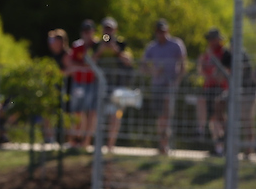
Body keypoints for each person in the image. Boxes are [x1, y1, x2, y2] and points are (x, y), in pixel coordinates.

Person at [141, 18, 188, 155]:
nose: (161, 34)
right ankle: (162, 144)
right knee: (160, 116)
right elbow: (142, 66)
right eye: (159, 31)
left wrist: (177, 81)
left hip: (170, 85)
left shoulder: (176, 44)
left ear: (167, 30)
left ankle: (165, 144)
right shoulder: (152, 47)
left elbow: (183, 64)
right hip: (157, 85)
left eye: (163, 31)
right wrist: (153, 71)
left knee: (166, 115)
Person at [94, 17, 134, 152]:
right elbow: (89, 61)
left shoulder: (121, 43)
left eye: (110, 29)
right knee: (97, 116)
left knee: (115, 116)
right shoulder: (97, 44)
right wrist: (100, 51)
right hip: (99, 86)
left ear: (115, 30)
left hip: (117, 87)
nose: (108, 31)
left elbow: (129, 61)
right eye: (106, 28)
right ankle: (96, 144)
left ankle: (110, 146)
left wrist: (116, 50)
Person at [197, 27, 231, 155]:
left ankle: (225, 143)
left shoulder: (224, 53)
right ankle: (218, 147)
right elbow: (202, 72)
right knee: (212, 119)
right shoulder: (206, 54)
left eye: (213, 39)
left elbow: (222, 74)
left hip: (221, 88)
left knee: (219, 116)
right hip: (208, 88)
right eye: (209, 39)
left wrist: (213, 74)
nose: (211, 41)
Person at [66, 20, 98, 149]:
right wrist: (85, 66)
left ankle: (87, 141)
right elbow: (72, 63)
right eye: (85, 32)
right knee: (77, 111)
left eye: (89, 31)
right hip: (79, 83)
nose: (87, 34)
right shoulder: (77, 46)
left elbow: (97, 62)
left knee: (91, 112)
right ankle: (75, 139)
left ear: (93, 32)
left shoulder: (97, 46)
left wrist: (84, 65)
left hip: (92, 83)